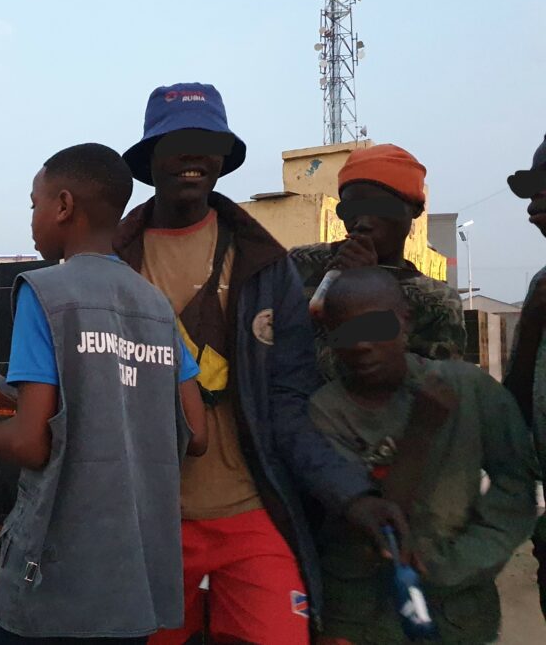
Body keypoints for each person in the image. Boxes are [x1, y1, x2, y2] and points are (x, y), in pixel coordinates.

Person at [114, 83, 407, 644]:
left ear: (223, 159)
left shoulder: (264, 266)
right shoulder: (112, 260)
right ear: (151, 160)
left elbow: (288, 403)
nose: (192, 158)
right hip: (144, 520)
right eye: (176, 144)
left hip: (247, 508)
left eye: (206, 144)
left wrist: (354, 496)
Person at [0, 143, 208, 644]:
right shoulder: (155, 305)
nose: (32, 220)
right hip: (130, 581)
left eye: (33, 205)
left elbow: (34, 444)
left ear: (63, 205)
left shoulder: (44, 293)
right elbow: (198, 433)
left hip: (54, 580)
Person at [310, 267, 537, 644]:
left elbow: (515, 483)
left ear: (405, 322)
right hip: (361, 615)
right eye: (345, 333)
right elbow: (376, 525)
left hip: (458, 614)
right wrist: (420, 431)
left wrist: (457, 560)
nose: (362, 344)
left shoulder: (467, 388)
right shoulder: (325, 413)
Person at [289, 143, 466, 380]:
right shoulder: (299, 265)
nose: (362, 222)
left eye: (380, 208)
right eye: (351, 209)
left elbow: (430, 391)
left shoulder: (437, 303)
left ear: (415, 210)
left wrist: (365, 289)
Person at [504, 132, 546, 620]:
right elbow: (515, 405)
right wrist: (533, 321)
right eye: (532, 190)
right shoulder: (540, 286)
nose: (534, 204)